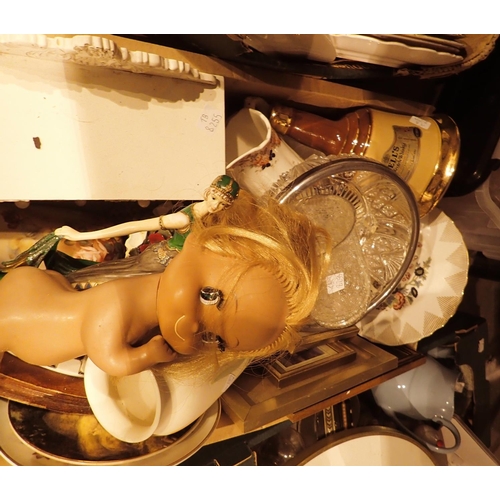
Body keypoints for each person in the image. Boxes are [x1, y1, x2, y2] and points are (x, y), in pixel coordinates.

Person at [0, 187, 330, 378]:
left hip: (39, 290)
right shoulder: (117, 304)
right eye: (209, 295)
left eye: (214, 337)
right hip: (22, 325)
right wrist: (145, 357)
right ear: (202, 242)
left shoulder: (143, 299)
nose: (193, 326)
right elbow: (104, 350)